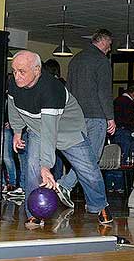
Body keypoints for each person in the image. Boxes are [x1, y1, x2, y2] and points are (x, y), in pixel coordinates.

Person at [8, 50, 112, 229]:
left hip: (68, 132)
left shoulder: (51, 89)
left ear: (37, 70)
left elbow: (51, 132)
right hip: (37, 129)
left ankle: (100, 206)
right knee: (33, 172)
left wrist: (46, 165)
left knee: (88, 170)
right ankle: (35, 214)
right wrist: (17, 132)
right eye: (14, 71)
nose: (17, 76)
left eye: (22, 72)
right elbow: (13, 106)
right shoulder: (13, 84)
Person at [67, 29, 116, 160]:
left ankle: (63, 181)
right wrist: (110, 117)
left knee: (80, 159)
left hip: (76, 116)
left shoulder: (75, 59)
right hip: (96, 115)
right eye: (109, 44)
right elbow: (104, 91)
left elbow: (68, 89)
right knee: (91, 160)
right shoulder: (101, 60)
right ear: (104, 41)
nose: (110, 49)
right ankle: (64, 182)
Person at [113, 86, 134, 166]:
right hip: (124, 131)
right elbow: (129, 117)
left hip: (117, 130)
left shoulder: (117, 100)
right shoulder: (129, 102)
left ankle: (112, 177)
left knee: (115, 157)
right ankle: (119, 177)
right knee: (123, 157)